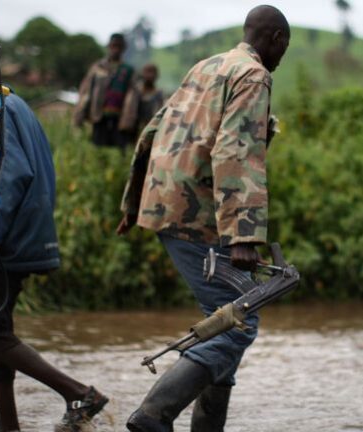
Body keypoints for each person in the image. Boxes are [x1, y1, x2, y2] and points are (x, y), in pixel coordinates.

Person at [117, 5, 290, 431]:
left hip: (167, 204)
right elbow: (237, 152)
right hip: (197, 214)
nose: (282, 58)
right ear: (276, 41)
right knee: (238, 321)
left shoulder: (207, 66)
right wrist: (242, 235)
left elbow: (155, 128)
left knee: (223, 316)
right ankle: (153, 416)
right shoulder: (253, 75)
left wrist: (133, 201)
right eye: (283, 49)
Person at [0, 58, 108, 431]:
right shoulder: (18, 106)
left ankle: (79, 393)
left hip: (3, 243)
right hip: (23, 237)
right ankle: (10, 425)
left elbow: (7, 180)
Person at [73, 33, 136, 150]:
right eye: (113, 46)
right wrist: (79, 116)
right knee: (97, 150)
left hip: (119, 120)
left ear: (123, 49)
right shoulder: (97, 68)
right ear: (109, 46)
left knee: (119, 152)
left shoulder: (128, 70)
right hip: (99, 117)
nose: (116, 49)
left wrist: (128, 121)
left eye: (119, 46)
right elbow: (85, 93)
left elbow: (132, 98)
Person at [122, 63, 166, 142]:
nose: (150, 75)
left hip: (151, 128)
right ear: (143, 74)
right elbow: (128, 110)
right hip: (134, 128)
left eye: (153, 72)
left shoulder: (159, 94)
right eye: (148, 72)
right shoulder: (135, 91)